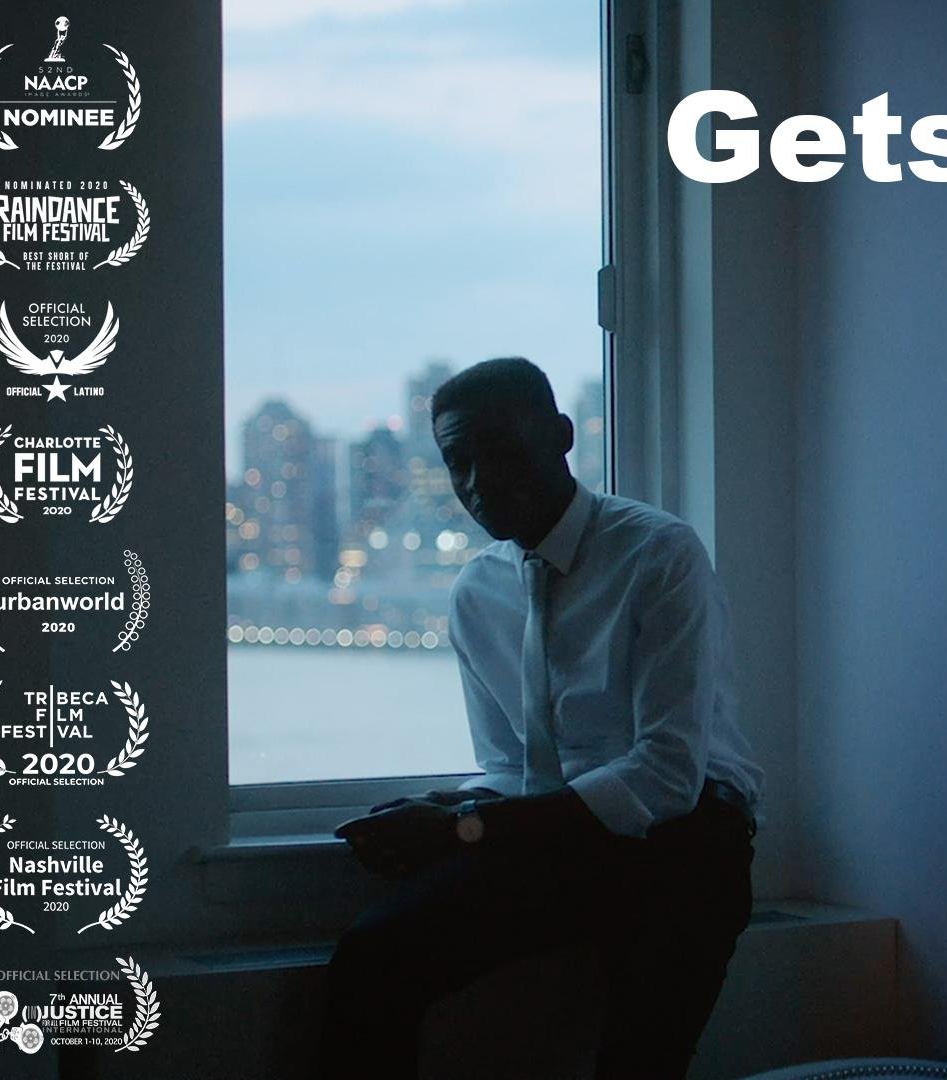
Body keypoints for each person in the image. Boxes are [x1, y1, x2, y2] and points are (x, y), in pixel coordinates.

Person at [319, 357, 764, 1079]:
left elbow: (666, 778)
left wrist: (466, 828)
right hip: (566, 841)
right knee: (373, 957)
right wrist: (453, 804)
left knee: (638, 1062)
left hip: (688, 843)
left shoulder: (657, 553)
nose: (475, 481)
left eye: (496, 449)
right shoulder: (478, 592)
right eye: (457, 460)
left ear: (561, 435)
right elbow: (516, 768)